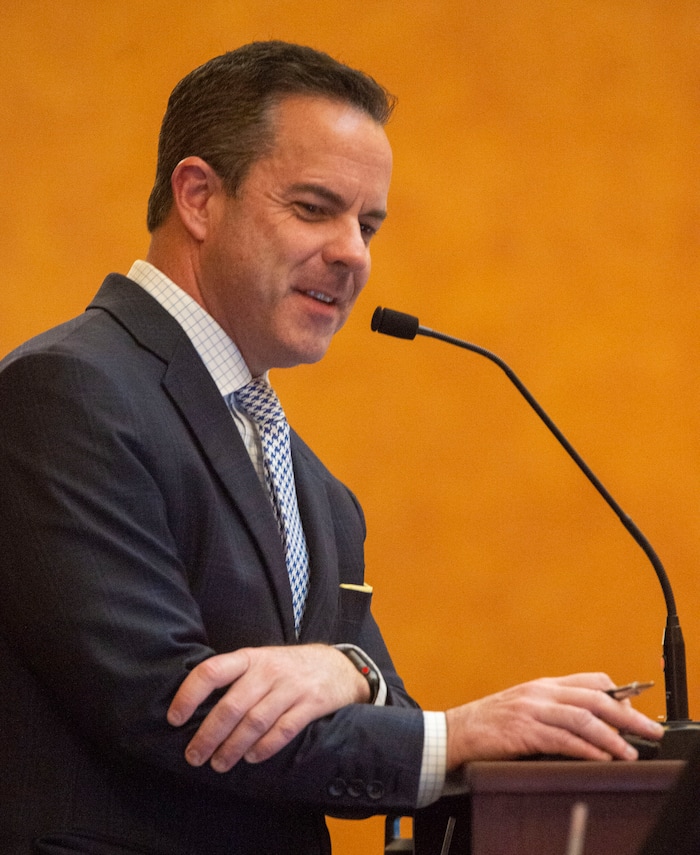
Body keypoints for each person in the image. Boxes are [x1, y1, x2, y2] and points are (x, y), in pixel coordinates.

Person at [0, 41, 664, 855]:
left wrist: (351, 669)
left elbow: (375, 709)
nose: (355, 252)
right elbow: (168, 708)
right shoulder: (69, 393)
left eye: (369, 222)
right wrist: (449, 734)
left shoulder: (316, 486)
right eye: (316, 208)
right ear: (200, 197)